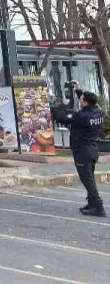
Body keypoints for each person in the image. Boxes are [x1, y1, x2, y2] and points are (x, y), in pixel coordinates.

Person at [53, 85, 104, 217]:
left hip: (83, 152)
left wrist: (63, 105)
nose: (80, 101)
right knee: (90, 178)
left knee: (87, 180)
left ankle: (98, 206)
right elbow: (92, 102)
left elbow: (61, 118)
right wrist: (78, 91)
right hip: (93, 150)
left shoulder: (82, 116)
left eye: (81, 99)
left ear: (85, 102)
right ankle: (92, 203)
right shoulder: (98, 112)